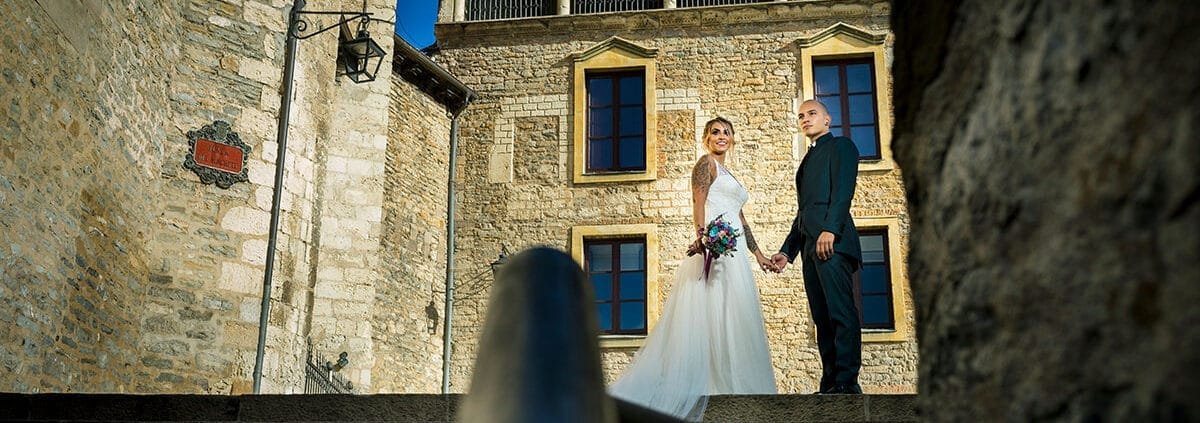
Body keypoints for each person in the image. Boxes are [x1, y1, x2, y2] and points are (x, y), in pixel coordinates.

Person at [609, 117, 777, 421]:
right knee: (711, 310)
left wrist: (759, 254)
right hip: (713, 248)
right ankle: (709, 383)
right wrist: (703, 236)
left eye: (727, 131)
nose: (721, 136)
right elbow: (698, 201)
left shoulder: (730, 174)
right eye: (715, 132)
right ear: (706, 138)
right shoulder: (706, 164)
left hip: (735, 254)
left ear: (733, 139)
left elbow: (741, 219)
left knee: (734, 312)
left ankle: (734, 383)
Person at [770, 99, 864, 395]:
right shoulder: (807, 162)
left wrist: (830, 230)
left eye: (812, 114)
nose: (805, 119)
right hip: (810, 249)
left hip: (833, 243)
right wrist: (787, 251)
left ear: (828, 119)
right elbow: (804, 212)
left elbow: (843, 193)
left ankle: (847, 382)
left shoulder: (842, 147)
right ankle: (830, 382)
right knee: (821, 318)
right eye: (801, 116)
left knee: (840, 313)